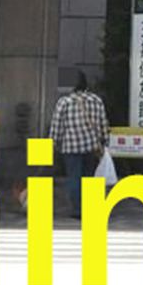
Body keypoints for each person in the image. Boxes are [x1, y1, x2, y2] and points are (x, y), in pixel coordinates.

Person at [49, 70, 109, 214]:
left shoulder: (64, 102)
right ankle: (90, 208)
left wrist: (53, 143)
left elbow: (57, 126)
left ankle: (77, 209)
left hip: (71, 147)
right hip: (92, 146)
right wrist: (105, 142)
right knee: (89, 177)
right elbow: (103, 123)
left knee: (74, 177)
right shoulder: (96, 100)